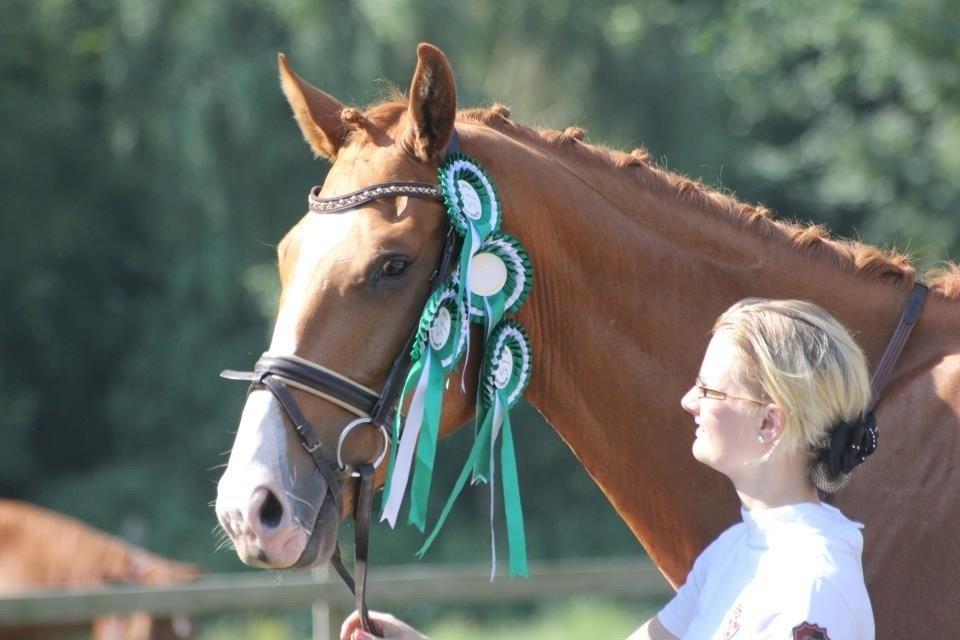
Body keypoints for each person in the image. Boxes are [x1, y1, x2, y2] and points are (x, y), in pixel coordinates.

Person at [341, 298, 876, 640]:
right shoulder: (734, 553)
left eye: (711, 389)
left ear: (769, 424)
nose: (689, 400)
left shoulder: (811, 585)